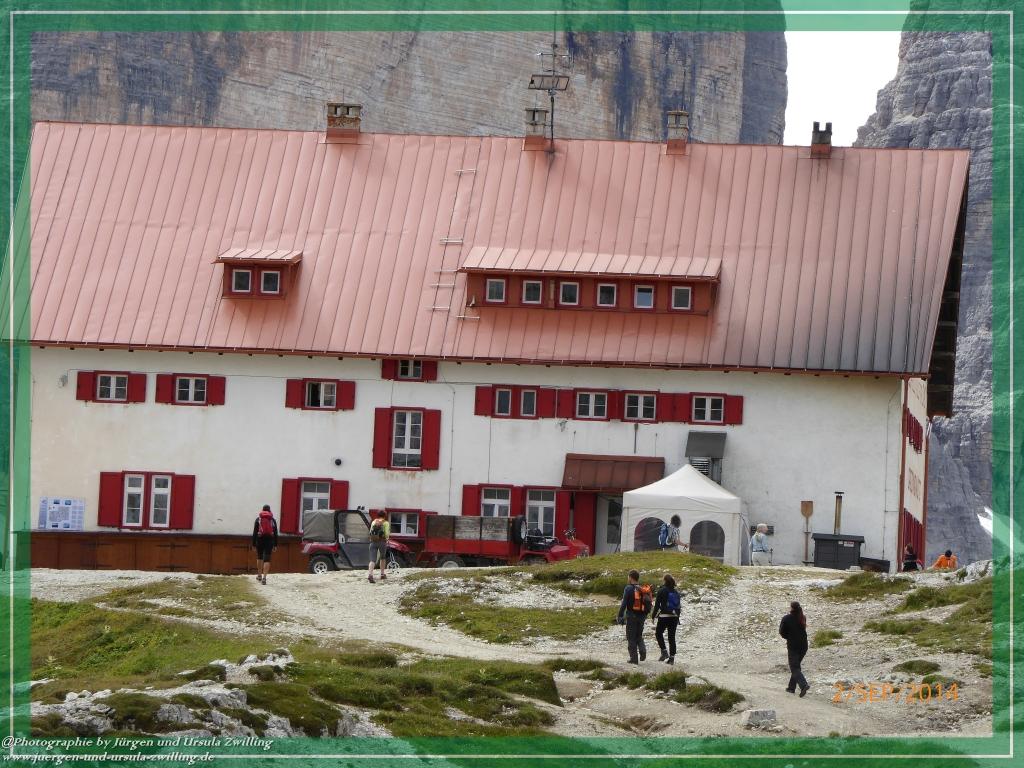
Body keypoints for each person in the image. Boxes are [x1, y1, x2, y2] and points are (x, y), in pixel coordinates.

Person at [616, 569, 651, 664]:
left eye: (628, 577)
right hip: (642, 616)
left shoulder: (628, 588)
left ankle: (634, 658)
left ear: (631, 578)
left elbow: (624, 604)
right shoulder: (642, 589)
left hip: (631, 616)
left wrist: (619, 616)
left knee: (631, 637)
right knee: (638, 635)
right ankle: (643, 651)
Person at [778, 600, 809, 697]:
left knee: (794, 667)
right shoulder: (802, 617)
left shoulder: (786, 618)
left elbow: (782, 632)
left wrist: (788, 637)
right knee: (796, 666)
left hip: (793, 646)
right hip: (804, 645)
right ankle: (791, 688)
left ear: (791, 608)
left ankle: (803, 685)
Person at [652, 573, 681, 665]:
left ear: (664, 581)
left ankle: (664, 652)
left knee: (658, 633)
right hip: (674, 617)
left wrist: (653, 616)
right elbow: (678, 606)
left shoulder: (662, 590)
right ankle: (672, 659)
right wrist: (677, 617)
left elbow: (656, 606)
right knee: (671, 637)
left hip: (664, 616)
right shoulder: (675, 592)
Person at [251, 504, 278, 585]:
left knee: (259, 557)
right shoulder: (272, 520)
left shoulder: (258, 519)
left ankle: (259, 575)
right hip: (269, 540)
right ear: (269, 510)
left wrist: (253, 544)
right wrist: (275, 544)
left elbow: (255, 532)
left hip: (260, 539)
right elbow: (275, 533)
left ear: (262, 510)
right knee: (267, 558)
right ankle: (264, 578)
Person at [367, 511, 391, 584]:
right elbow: (386, 533)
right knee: (382, 558)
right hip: (382, 542)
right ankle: (382, 574)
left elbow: (370, 532)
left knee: (372, 560)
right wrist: (387, 538)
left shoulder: (374, 522)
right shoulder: (386, 523)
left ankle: (370, 575)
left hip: (373, 542)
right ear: (385, 516)